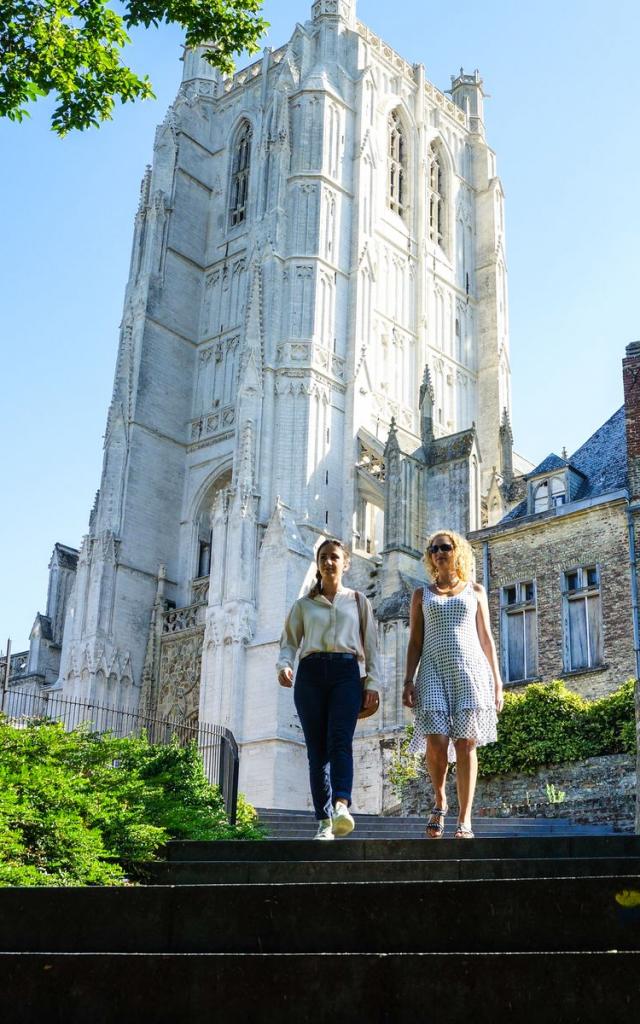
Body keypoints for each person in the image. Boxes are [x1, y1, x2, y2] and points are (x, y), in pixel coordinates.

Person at [277, 538, 381, 840]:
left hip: (346, 673)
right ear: (318, 562)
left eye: (334, 557)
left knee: (340, 741)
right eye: (323, 557)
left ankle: (341, 805)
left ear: (345, 563)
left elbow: (372, 647)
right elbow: (289, 643)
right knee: (317, 752)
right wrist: (284, 665)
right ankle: (323, 822)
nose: (328, 562)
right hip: (310, 675)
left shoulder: (359, 601)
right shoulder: (303, 606)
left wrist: (372, 682)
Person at [402, 530, 503, 839]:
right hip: (432, 669)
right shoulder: (422, 594)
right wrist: (408, 678)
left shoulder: (475, 591)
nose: (439, 553)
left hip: (470, 671)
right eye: (433, 549)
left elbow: (486, 638)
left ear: (457, 551)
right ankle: (440, 798)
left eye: (445, 547)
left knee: (466, 744)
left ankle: (464, 819)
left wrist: (497, 682)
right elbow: (415, 640)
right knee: (436, 739)